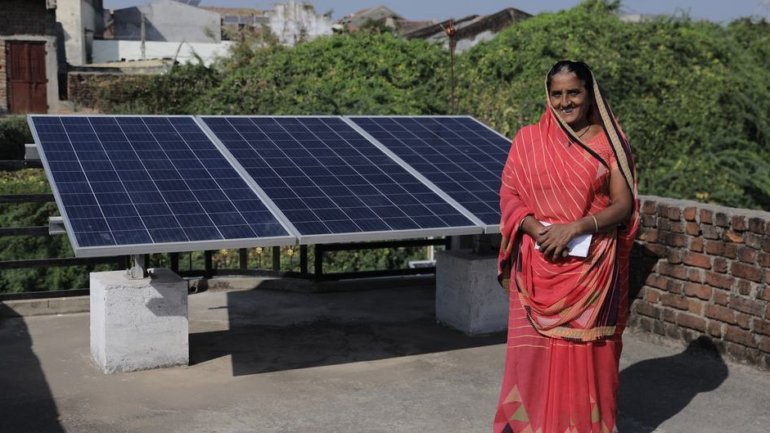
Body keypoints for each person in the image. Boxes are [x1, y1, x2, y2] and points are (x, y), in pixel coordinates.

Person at [494, 60, 639, 433]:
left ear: (590, 95)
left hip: (592, 272)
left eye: (573, 92)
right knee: (532, 363)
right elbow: (509, 194)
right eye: (556, 94)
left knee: (591, 361)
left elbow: (623, 205)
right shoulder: (527, 139)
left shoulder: (610, 144)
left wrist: (575, 227)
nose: (565, 101)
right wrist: (533, 227)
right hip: (537, 269)